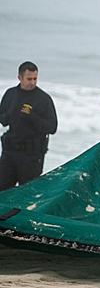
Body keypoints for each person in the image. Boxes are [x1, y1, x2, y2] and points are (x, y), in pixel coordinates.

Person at [0, 62, 58, 191]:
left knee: (26, 194)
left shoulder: (43, 99)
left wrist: (32, 116)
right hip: (10, 152)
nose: (32, 82)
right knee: (3, 190)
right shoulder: (11, 94)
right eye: (29, 79)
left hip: (31, 156)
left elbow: (52, 127)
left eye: (35, 79)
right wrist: (12, 112)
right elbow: (3, 119)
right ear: (20, 78)